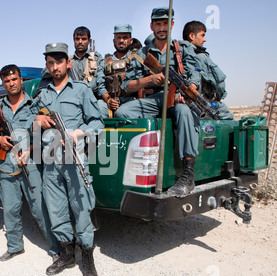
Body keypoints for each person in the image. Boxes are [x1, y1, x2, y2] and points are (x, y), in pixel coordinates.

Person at [33, 43, 104, 276]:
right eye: (50, 63)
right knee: (56, 210)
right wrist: (38, 118)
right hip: (51, 161)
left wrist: (78, 133)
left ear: (68, 63)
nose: (54, 67)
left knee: (82, 210)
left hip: (75, 159)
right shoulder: (43, 94)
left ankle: (87, 259)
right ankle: (66, 255)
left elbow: (98, 122)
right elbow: (32, 118)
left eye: (58, 62)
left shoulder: (81, 90)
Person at [117, 7, 201, 197]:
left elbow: (195, 76)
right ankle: (133, 164)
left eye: (165, 24)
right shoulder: (143, 52)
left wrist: (188, 93)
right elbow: (127, 85)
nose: (162, 28)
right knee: (123, 113)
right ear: (151, 26)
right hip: (153, 99)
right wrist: (149, 80)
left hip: (178, 98)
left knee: (185, 112)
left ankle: (188, 174)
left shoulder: (183, 49)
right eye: (158, 24)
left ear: (171, 25)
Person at [0, 64, 59, 262]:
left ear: (21, 80)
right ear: (3, 84)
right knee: (11, 208)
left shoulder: (35, 105)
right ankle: (14, 246)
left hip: (30, 163)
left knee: (39, 208)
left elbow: (48, 133)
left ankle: (56, 249)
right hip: (7, 165)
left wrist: (31, 149)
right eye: (7, 81)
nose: (11, 84)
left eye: (14, 79)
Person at [182, 21, 234, 120]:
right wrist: (218, 97)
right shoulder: (201, 57)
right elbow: (219, 82)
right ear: (192, 36)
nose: (204, 39)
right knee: (228, 118)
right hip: (202, 102)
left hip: (184, 103)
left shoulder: (179, 54)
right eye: (202, 35)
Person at [96, 24, 141, 118]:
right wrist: (109, 100)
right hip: (110, 100)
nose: (121, 41)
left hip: (131, 100)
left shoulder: (137, 59)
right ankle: (105, 133)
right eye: (118, 38)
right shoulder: (105, 61)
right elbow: (100, 85)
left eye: (125, 38)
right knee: (98, 107)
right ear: (114, 41)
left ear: (131, 40)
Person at [69, 26, 104, 96]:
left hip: (92, 96)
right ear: (73, 40)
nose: (80, 42)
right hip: (73, 97)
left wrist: (84, 91)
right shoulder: (68, 60)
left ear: (89, 41)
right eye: (77, 39)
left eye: (84, 39)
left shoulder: (96, 58)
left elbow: (98, 78)